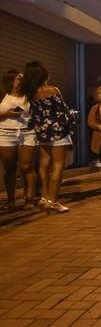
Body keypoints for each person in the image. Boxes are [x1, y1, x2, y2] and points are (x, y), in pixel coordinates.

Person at [24, 61, 75, 213]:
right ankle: (54, 200)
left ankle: (44, 197)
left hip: (42, 132)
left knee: (44, 164)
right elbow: (63, 109)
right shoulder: (52, 90)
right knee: (58, 165)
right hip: (58, 131)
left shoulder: (31, 93)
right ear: (44, 74)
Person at [0, 70, 37, 210]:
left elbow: (38, 112)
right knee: (10, 169)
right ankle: (11, 200)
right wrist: (6, 113)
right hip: (5, 134)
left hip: (27, 133)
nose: (22, 81)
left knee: (27, 167)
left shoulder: (30, 95)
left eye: (23, 78)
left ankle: (29, 199)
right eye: (19, 78)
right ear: (10, 81)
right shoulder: (3, 95)